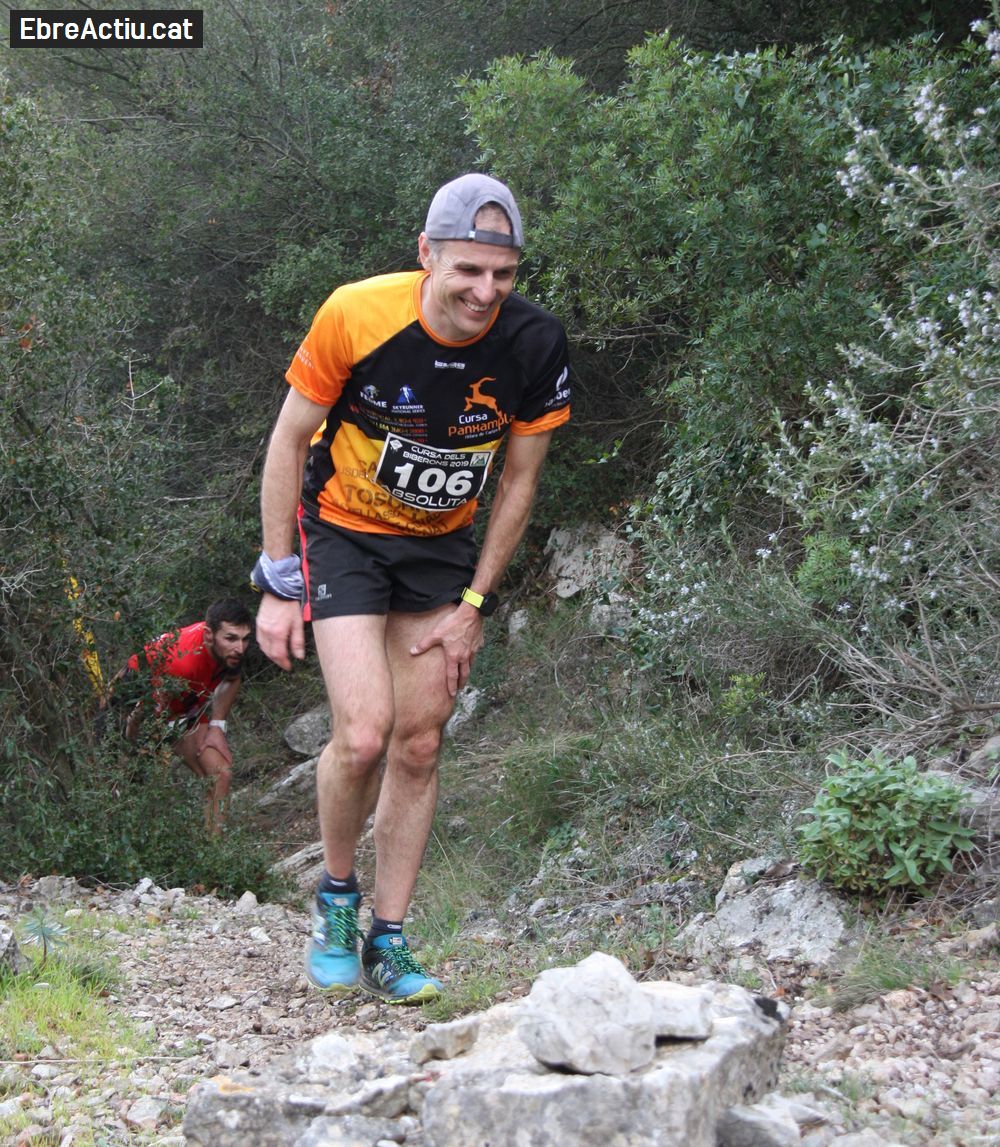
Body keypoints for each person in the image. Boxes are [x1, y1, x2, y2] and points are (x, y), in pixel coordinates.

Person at [252, 173, 571, 1004]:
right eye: (468, 269)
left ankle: (388, 938)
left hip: (439, 550)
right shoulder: (357, 313)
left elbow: (520, 482)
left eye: (503, 274)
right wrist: (279, 578)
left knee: (420, 743)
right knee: (363, 734)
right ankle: (336, 897)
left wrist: (476, 605)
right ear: (427, 253)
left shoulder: (535, 342)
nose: (485, 291)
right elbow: (289, 437)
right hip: (344, 531)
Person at [108, 598, 253, 832]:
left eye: (245, 639)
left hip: (183, 704)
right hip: (134, 701)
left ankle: (213, 850)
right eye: (231, 639)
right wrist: (132, 755)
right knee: (121, 786)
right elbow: (143, 721)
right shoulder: (183, 664)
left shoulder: (229, 649)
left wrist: (217, 726)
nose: (240, 648)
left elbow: (233, 678)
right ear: (209, 635)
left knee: (220, 774)